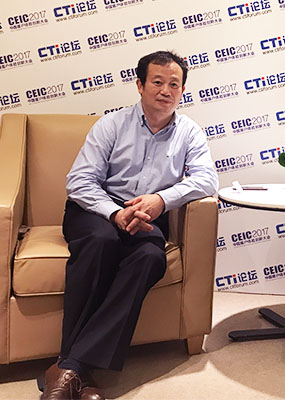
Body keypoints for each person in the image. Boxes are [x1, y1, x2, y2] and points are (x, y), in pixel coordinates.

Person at [38, 50, 219, 400]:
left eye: (174, 84)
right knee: (103, 241)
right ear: (140, 85)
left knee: (151, 258)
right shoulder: (112, 124)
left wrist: (160, 200)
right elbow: (79, 181)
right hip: (95, 211)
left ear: (182, 90)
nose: (165, 91)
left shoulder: (189, 132)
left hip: (147, 215)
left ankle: (68, 367)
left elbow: (207, 179)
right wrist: (114, 213)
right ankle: (78, 370)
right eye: (157, 82)